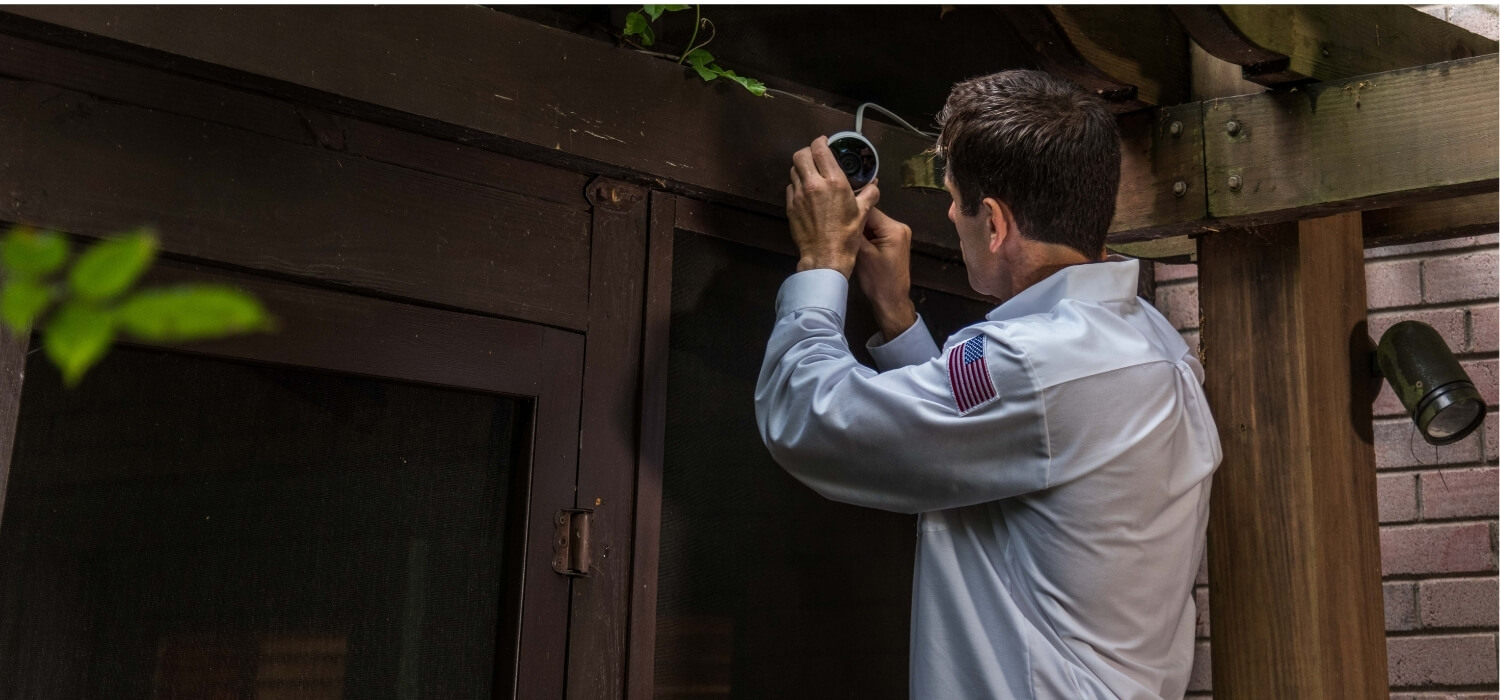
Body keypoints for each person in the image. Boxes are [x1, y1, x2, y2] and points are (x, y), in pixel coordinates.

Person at [755, 70, 1222, 699]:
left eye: (954, 200)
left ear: (996, 223)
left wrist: (820, 265)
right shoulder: (1152, 343)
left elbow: (811, 420)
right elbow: (993, 446)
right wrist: (896, 316)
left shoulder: (1035, 362)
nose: (950, 214)